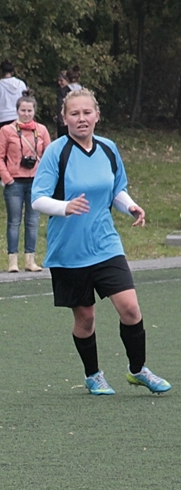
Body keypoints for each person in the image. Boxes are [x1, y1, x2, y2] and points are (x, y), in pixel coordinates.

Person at [31, 89, 171, 396]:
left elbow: (115, 189)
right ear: (64, 118)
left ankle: (138, 370)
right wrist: (64, 206)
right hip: (69, 251)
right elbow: (38, 199)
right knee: (86, 318)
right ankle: (93, 375)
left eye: (87, 112)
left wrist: (130, 205)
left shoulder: (108, 148)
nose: (81, 119)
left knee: (130, 308)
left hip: (106, 245)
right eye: (74, 114)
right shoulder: (56, 152)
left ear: (97, 115)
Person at [0, 91, 51, 273]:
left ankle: (30, 260)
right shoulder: (7, 130)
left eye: (29, 111)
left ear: (34, 111)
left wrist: (45, 179)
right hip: (14, 182)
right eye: (23, 110)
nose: (26, 114)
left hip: (35, 182)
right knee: (14, 221)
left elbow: (49, 156)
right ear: (17, 111)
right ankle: (13, 260)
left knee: (33, 221)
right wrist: (7, 178)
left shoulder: (41, 130)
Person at [0, 60, 28, 136]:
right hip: (18, 118)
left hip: (2, 120)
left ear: (1, 71)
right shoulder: (21, 84)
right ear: (13, 72)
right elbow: (26, 102)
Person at [55, 71, 70, 138]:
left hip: (67, 124)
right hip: (61, 122)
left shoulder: (71, 93)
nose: (59, 82)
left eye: (61, 80)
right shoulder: (60, 92)